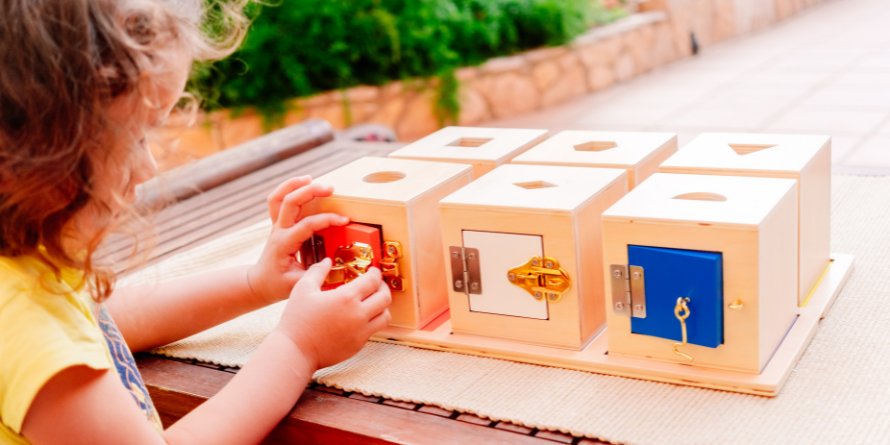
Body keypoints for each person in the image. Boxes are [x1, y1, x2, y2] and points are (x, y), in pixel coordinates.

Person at [0, 0, 393, 443]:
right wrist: (299, 348)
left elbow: (107, 319)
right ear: (27, 156)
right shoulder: (36, 343)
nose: (148, 166)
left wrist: (257, 283)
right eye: (130, 137)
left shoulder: (26, 267)